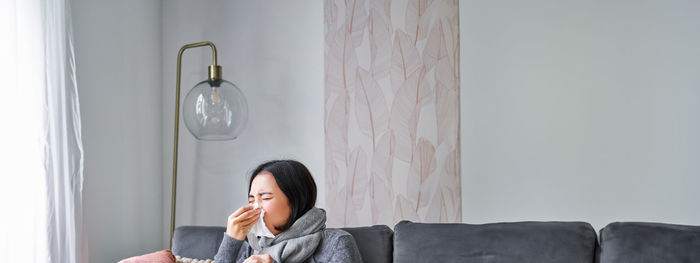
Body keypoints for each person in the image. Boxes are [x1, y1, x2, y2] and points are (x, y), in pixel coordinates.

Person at [214, 160, 363, 263]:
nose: (255, 207)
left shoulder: (335, 243)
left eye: (265, 198)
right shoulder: (251, 246)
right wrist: (231, 241)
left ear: (295, 200)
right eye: (251, 200)